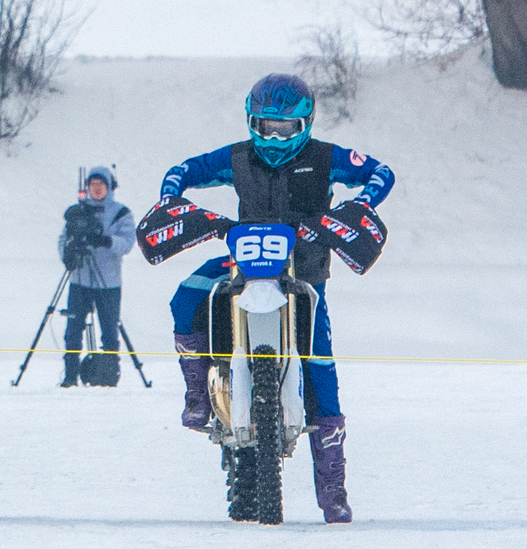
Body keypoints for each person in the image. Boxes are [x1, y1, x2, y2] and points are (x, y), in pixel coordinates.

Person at [144, 73, 392, 524]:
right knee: (185, 298)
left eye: (285, 129)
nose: (274, 138)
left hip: (304, 269)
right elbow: (183, 171)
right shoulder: (237, 157)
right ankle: (198, 393)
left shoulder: (325, 157)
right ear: (250, 121)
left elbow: (381, 172)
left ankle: (333, 491)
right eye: (265, 126)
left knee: (321, 366)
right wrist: (173, 201)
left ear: (306, 124)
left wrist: (357, 207)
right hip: (242, 262)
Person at [57, 166, 137, 387]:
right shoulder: (77, 212)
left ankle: (109, 376)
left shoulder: (121, 213)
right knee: (73, 330)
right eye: (93, 184)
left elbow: (128, 243)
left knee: (110, 329)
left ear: (109, 186)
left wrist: (105, 241)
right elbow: (64, 238)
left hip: (109, 283)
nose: (97, 189)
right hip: (79, 279)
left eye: (101, 184)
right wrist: (68, 255)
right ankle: (70, 376)